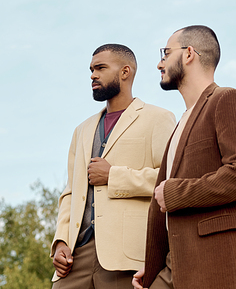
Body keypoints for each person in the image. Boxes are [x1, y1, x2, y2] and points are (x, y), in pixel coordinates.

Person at [133, 25, 236, 289]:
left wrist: (177, 193)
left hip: (221, 264)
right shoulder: (180, 123)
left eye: (166, 53)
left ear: (189, 54)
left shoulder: (228, 100)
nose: (159, 63)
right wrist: (154, 268)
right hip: (178, 266)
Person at [51, 44, 176, 289]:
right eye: (91, 69)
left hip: (127, 258)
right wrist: (61, 241)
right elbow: (70, 193)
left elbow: (171, 181)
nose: (92, 75)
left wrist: (113, 176)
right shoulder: (82, 130)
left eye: (100, 68)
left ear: (125, 72)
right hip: (77, 257)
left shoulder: (158, 118)